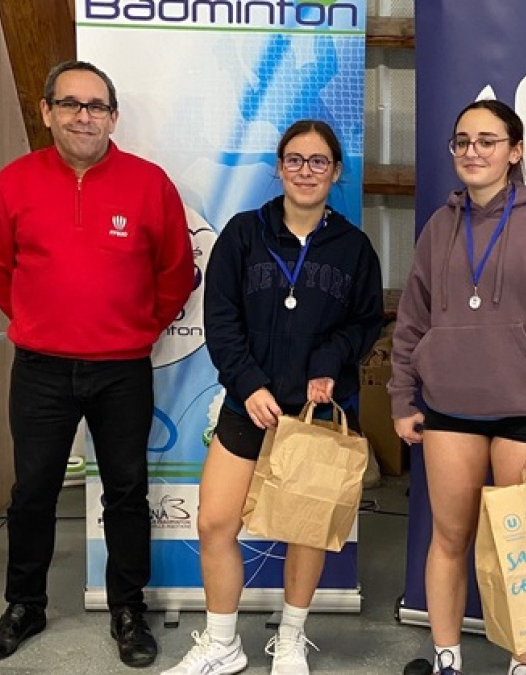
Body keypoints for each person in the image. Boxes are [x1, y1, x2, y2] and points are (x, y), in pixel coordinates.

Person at [0, 61, 194, 667]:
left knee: (126, 491)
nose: (83, 116)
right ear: (47, 112)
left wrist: (138, 329)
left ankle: (128, 609)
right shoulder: (14, 182)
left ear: (113, 117)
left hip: (121, 369)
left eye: (96, 106)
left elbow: (176, 271)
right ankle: (24, 606)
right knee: (32, 493)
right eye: (69, 104)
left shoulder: (149, 184)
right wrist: (38, 320)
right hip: (41, 368)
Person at [162, 119, 383, 675]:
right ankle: (222, 643)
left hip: (315, 412)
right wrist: (248, 383)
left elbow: (363, 324)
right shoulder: (243, 234)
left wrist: (328, 368)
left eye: (318, 161)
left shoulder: (354, 248)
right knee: (214, 523)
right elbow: (221, 320)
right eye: (294, 160)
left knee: (306, 529)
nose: (306, 171)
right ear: (279, 168)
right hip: (249, 405)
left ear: (335, 171)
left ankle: (290, 637)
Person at [389, 100, 526, 675]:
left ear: (515, 151)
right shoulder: (439, 226)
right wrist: (402, 396)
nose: (472, 151)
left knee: (523, 553)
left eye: (487, 141)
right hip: (450, 409)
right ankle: (447, 659)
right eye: (462, 141)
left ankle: (522, 666)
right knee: (449, 539)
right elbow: (412, 320)